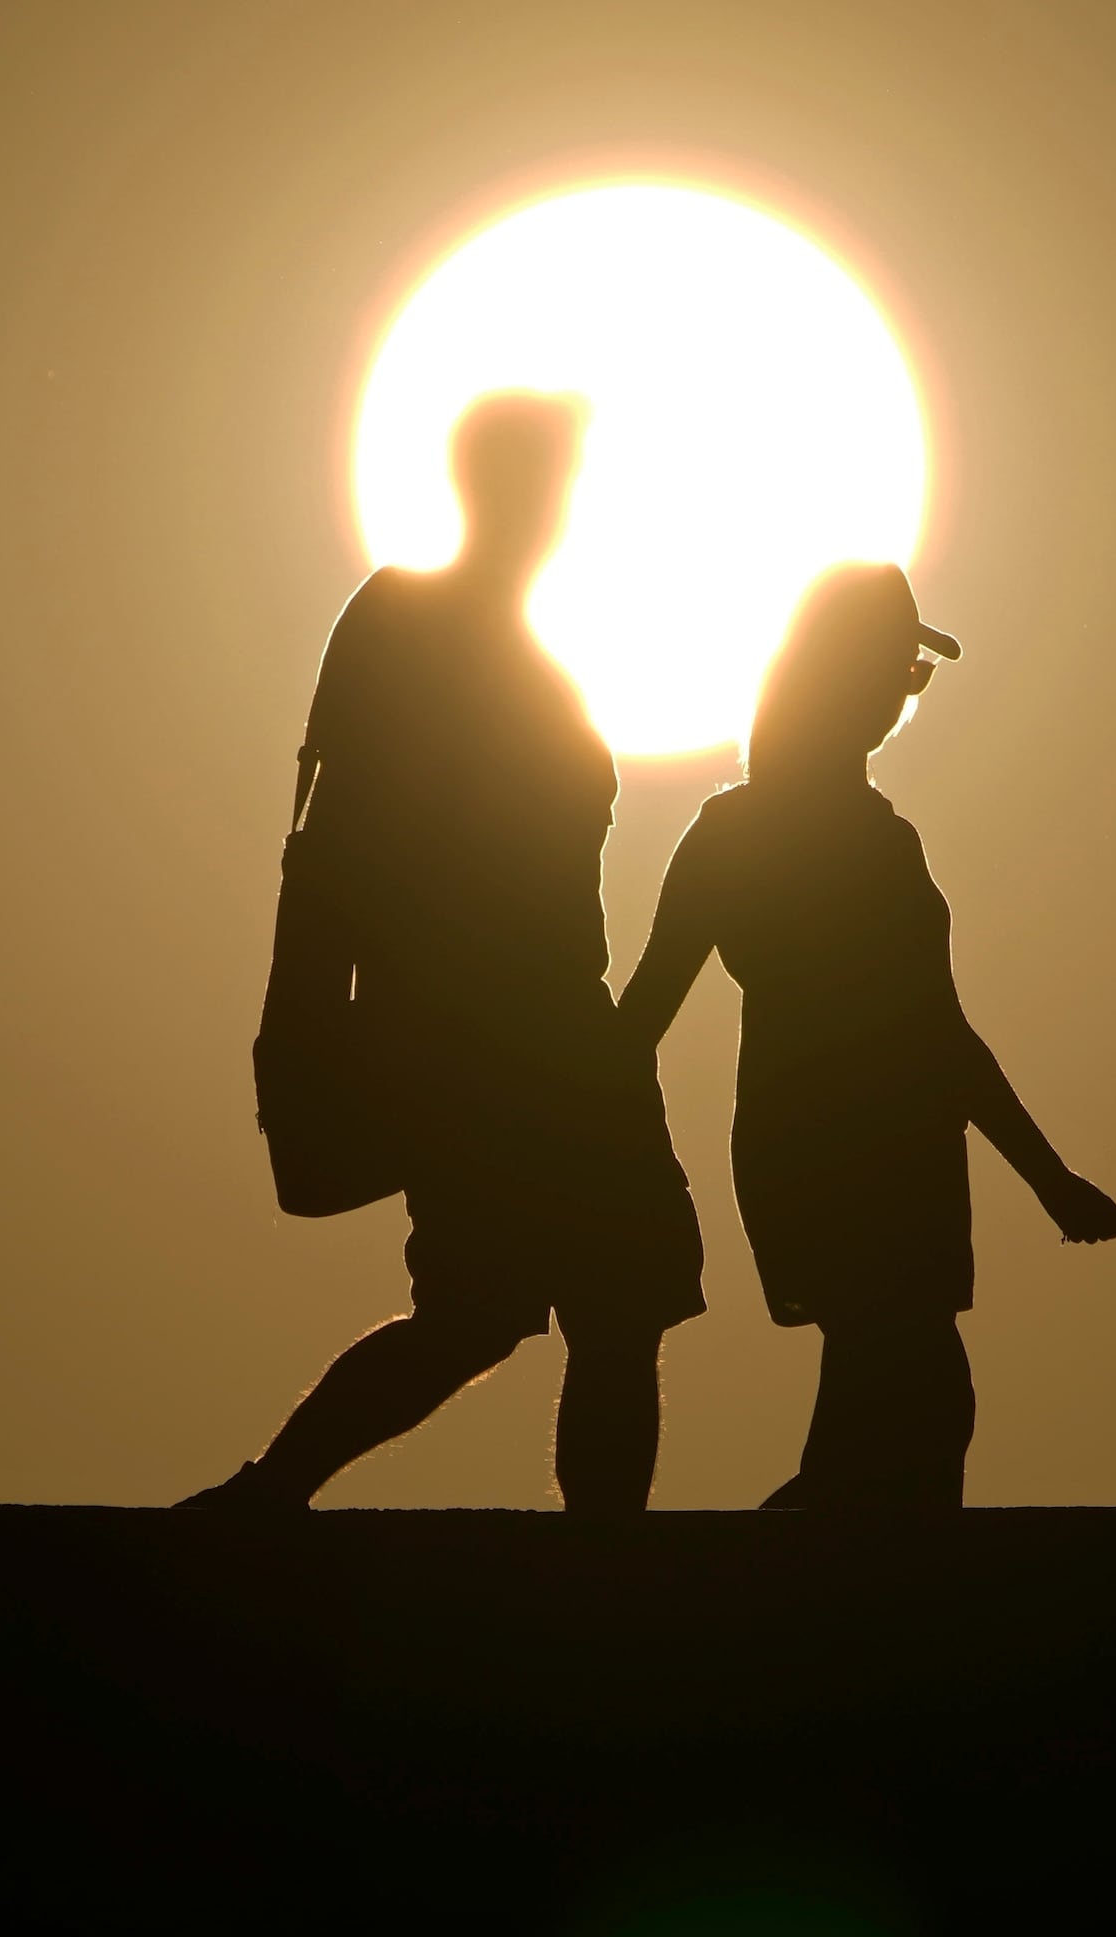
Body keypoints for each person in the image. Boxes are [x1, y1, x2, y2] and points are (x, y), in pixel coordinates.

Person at [186, 393, 707, 1513]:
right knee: (500, 1309)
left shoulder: (518, 648)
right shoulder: (411, 630)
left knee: (594, 1309)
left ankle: (591, 1560)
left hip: (559, 1024)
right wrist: (316, 1031)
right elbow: (331, 856)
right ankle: (269, 1493)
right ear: (485, 485)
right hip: (481, 1029)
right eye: (539, 479)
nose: (551, 506)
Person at [620, 564, 1116, 1508]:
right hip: (866, 1149)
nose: (903, 693)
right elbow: (939, 1035)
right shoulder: (865, 844)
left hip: (811, 1139)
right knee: (912, 1400)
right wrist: (1049, 1177)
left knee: (900, 1399)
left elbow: (637, 1021)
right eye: (899, 670)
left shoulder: (737, 829)